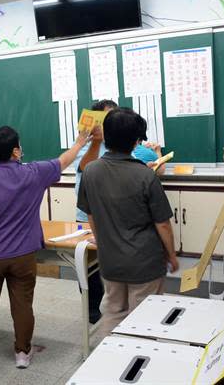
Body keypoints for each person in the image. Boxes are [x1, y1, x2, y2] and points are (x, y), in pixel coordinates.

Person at [0, 126, 91, 375]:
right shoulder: (35, 173)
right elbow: (63, 161)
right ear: (16, 151)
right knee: (23, 305)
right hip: (23, 255)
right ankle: (22, 353)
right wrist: (79, 143)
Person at [77, 108, 178, 338]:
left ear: (107, 137)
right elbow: (163, 224)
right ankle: (138, 366)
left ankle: (111, 361)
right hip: (144, 262)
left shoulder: (91, 171)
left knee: (113, 311)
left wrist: (104, 243)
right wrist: (171, 256)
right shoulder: (145, 175)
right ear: (135, 142)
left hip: (110, 260)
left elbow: (90, 214)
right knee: (144, 315)